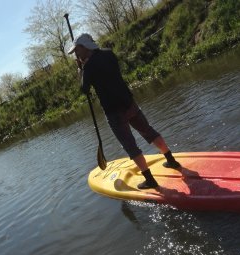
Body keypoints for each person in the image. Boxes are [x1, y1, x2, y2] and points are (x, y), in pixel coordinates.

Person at [68, 33, 180, 189]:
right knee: (148, 131)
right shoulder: (109, 53)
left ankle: (150, 180)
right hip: (129, 102)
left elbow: (84, 90)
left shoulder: (88, 67)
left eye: (77, 50)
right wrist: (85, 66)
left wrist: (80, 71)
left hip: (114, 112)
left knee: (130, 146)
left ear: (85, 47)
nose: (76, 54)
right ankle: (171, 159)